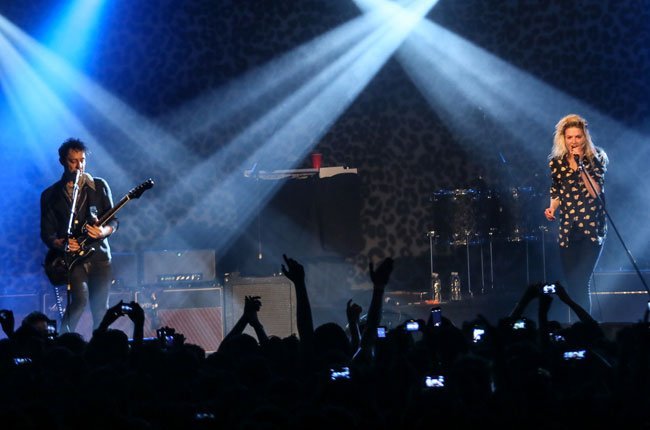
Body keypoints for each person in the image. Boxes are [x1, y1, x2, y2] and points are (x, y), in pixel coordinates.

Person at [40, 138, 118, 333]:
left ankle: (100, 345)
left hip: (100, 257)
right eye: (73, 161)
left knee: (100, 308)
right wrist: (62, 244)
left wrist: (103, 231)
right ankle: (64, 341)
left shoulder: (99, 186)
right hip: (74, 259)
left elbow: (114, 221)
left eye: (82, 160)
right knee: (79, 301)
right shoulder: (50, 195)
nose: (79, 166)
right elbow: (47, 234)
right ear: (62, 161)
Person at [543, 114, 609, 315]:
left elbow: (595, 192)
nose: (574, 141)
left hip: (591, 229)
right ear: (563, 138)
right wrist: (552, 208)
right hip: (568, 230)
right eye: (569, 137)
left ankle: (586, 326)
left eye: (578, 137)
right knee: (572, 283)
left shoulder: (596, 158)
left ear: (585, 137)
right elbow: (557, 191)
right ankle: (579, 325)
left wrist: (581, 167)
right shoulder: (557, 162)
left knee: (582, 280)